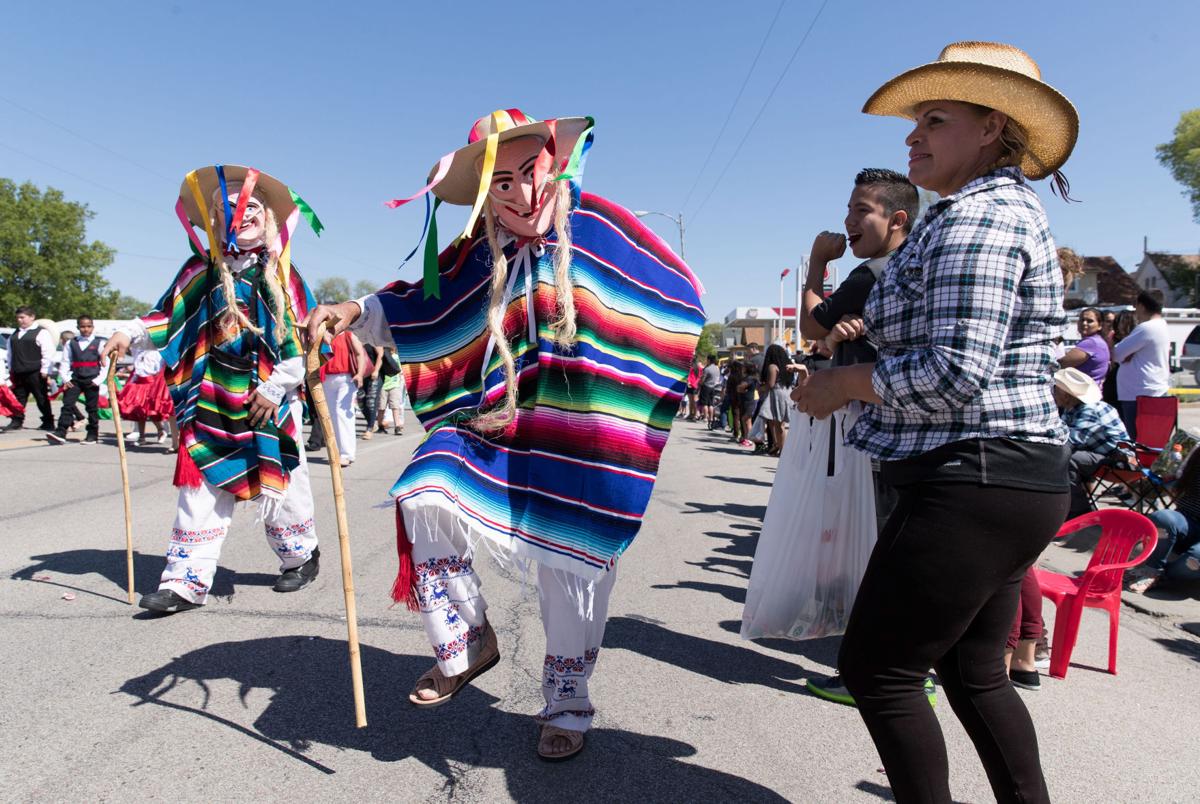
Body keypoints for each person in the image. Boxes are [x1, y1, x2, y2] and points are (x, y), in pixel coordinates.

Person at [306, 109, 704, 761]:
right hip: (499, 426)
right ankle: (464, 640)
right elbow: (415, 304)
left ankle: (569, 702)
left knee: (573, 564)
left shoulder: (599, 227)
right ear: (486, 193)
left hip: (583, 439)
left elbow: (669, 294)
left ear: (555, 160)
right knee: (424, 489)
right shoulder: (475, 254)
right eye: (503, 183)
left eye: (531, 171)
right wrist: (351, 311)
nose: (522, 193)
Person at [793, 42, 1078, 802]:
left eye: (934, 120)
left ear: (990, 129)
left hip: (974, 475)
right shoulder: (967, 216)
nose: (913, 137)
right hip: (1000, 476)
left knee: (878, 671)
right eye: (915, 120)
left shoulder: (976, 221)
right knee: (973, 671)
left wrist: (845, 383)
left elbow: (953, 374)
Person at [102, 164, 322, 614]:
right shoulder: (201, 268)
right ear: (215, 220)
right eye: (226, 209)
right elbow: (166, 315)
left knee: (281, 485)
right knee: (200, 484)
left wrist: (277, 387)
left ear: (269, 218)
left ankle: (300, 555)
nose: (239, 216)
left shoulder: (283, 273)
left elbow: (301, 339)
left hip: (269, 399)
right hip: (212, 393)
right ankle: (185, 580)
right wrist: (128, 333)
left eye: (250, 207)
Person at [790, 167, 917, 706]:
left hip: (882, 435)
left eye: (860, 210)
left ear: (897, 219)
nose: (848, 221)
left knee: (882, 555)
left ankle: (887, 676)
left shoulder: (873, 273)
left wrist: (818, 261)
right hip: (910, 433)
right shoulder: (915, 269)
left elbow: (811, 328)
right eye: (848, 210)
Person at [1055, 367, 1131, 518]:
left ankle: (1079, 512)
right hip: (1099, 455)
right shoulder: (1073, 408)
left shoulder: (1089, 409)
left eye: (1055, 390)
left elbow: (1071, 440)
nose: (1053, 393)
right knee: (1064, 456)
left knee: (1067, 459)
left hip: (1118, 459)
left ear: (1065, 394)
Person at [1126, 449, 1200, 593]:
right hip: (1187, 520)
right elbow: (1177, 483)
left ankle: (1163, 575)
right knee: (1162, 518)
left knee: (1196, 560)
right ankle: (1152, 570)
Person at [1111, 290, 1170, 440]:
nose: (1136, 310)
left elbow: (1116, 353)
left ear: (1142, 306)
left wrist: (1127, 353)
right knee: (1150, 440)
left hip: (1140, 394)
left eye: (1136, 306)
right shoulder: (1161, 325)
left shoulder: (1147, 327)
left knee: (1139, 441)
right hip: (1147, 392)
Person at [47, 316, 108, 445]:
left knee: (91, 408)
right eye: (82, 326)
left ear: (92, 327)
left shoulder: (99, 344)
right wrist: (65, 377)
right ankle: (61, 432)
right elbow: (65, 361)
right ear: (78, 327)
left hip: (92, 379)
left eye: (88, 326)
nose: (86, 329)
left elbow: (105, 364)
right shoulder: (71, 343)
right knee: (67, 405)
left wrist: (98, 380)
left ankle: (92, 434)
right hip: (75, 379)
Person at [3, 306, 55, 431]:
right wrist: (10, 370)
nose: (20, 320)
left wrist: (45, 370)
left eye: (22, 317)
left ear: (32, 317)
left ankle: (48, 421)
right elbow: (9, 354)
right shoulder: (14, 334)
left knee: (40, 397)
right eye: (18, 318)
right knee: (18, 398)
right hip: (18, 371)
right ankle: (17, 420)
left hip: (35, 372)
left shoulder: (41, 332)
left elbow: (48, 352)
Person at [320, 329, 367, 466]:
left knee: (343, 414)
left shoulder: (348, 334)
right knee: (331, 416)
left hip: (346, 378)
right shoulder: (322, 334)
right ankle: (338, 452)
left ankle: (346, 454)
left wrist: (360, 374)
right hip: (326, 378)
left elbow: (360, 354)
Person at [117, 347, 175, 447]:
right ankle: (142, 437)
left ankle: (161, 429)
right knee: (139, 411)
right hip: (138, 384)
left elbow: (159, 370)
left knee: (151, 411)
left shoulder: (157, 353)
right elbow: (136, 368)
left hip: (152, 384)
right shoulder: (138, 352)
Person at [1059, 307, 1110, 387]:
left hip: (1083, 394)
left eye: (1090, 321)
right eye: (1082, 320)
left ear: (1100, 325)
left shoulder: (1091, 343)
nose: (1084, 323)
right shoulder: (1097, 341)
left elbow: (1061, 363)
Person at [757, 343, 792, 457]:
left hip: (777, 394)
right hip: (786, 392)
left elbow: (770, 384)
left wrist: (760, 387)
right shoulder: (787, 365)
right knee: (780, 424)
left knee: (778, 424)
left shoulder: (772, 366)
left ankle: (782, 450)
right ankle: (780, 447)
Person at [376, 347, 407, 435]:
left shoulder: (397, 357)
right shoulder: (382, 357)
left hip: (395, 385)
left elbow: (401, 371)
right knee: (381, 407)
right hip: (383, 385)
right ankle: (380, 426)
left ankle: (397, 426)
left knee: (395, 407)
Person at [698, 354, 721, 427]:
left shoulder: (707, 369)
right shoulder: (717, 368)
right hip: (713, 387)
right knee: (711, 404)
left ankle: (705, 417)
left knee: (705, 403)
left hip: (706, 386)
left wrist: (699, 383)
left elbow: (702, 379)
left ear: (709, 360)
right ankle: (710, 418)